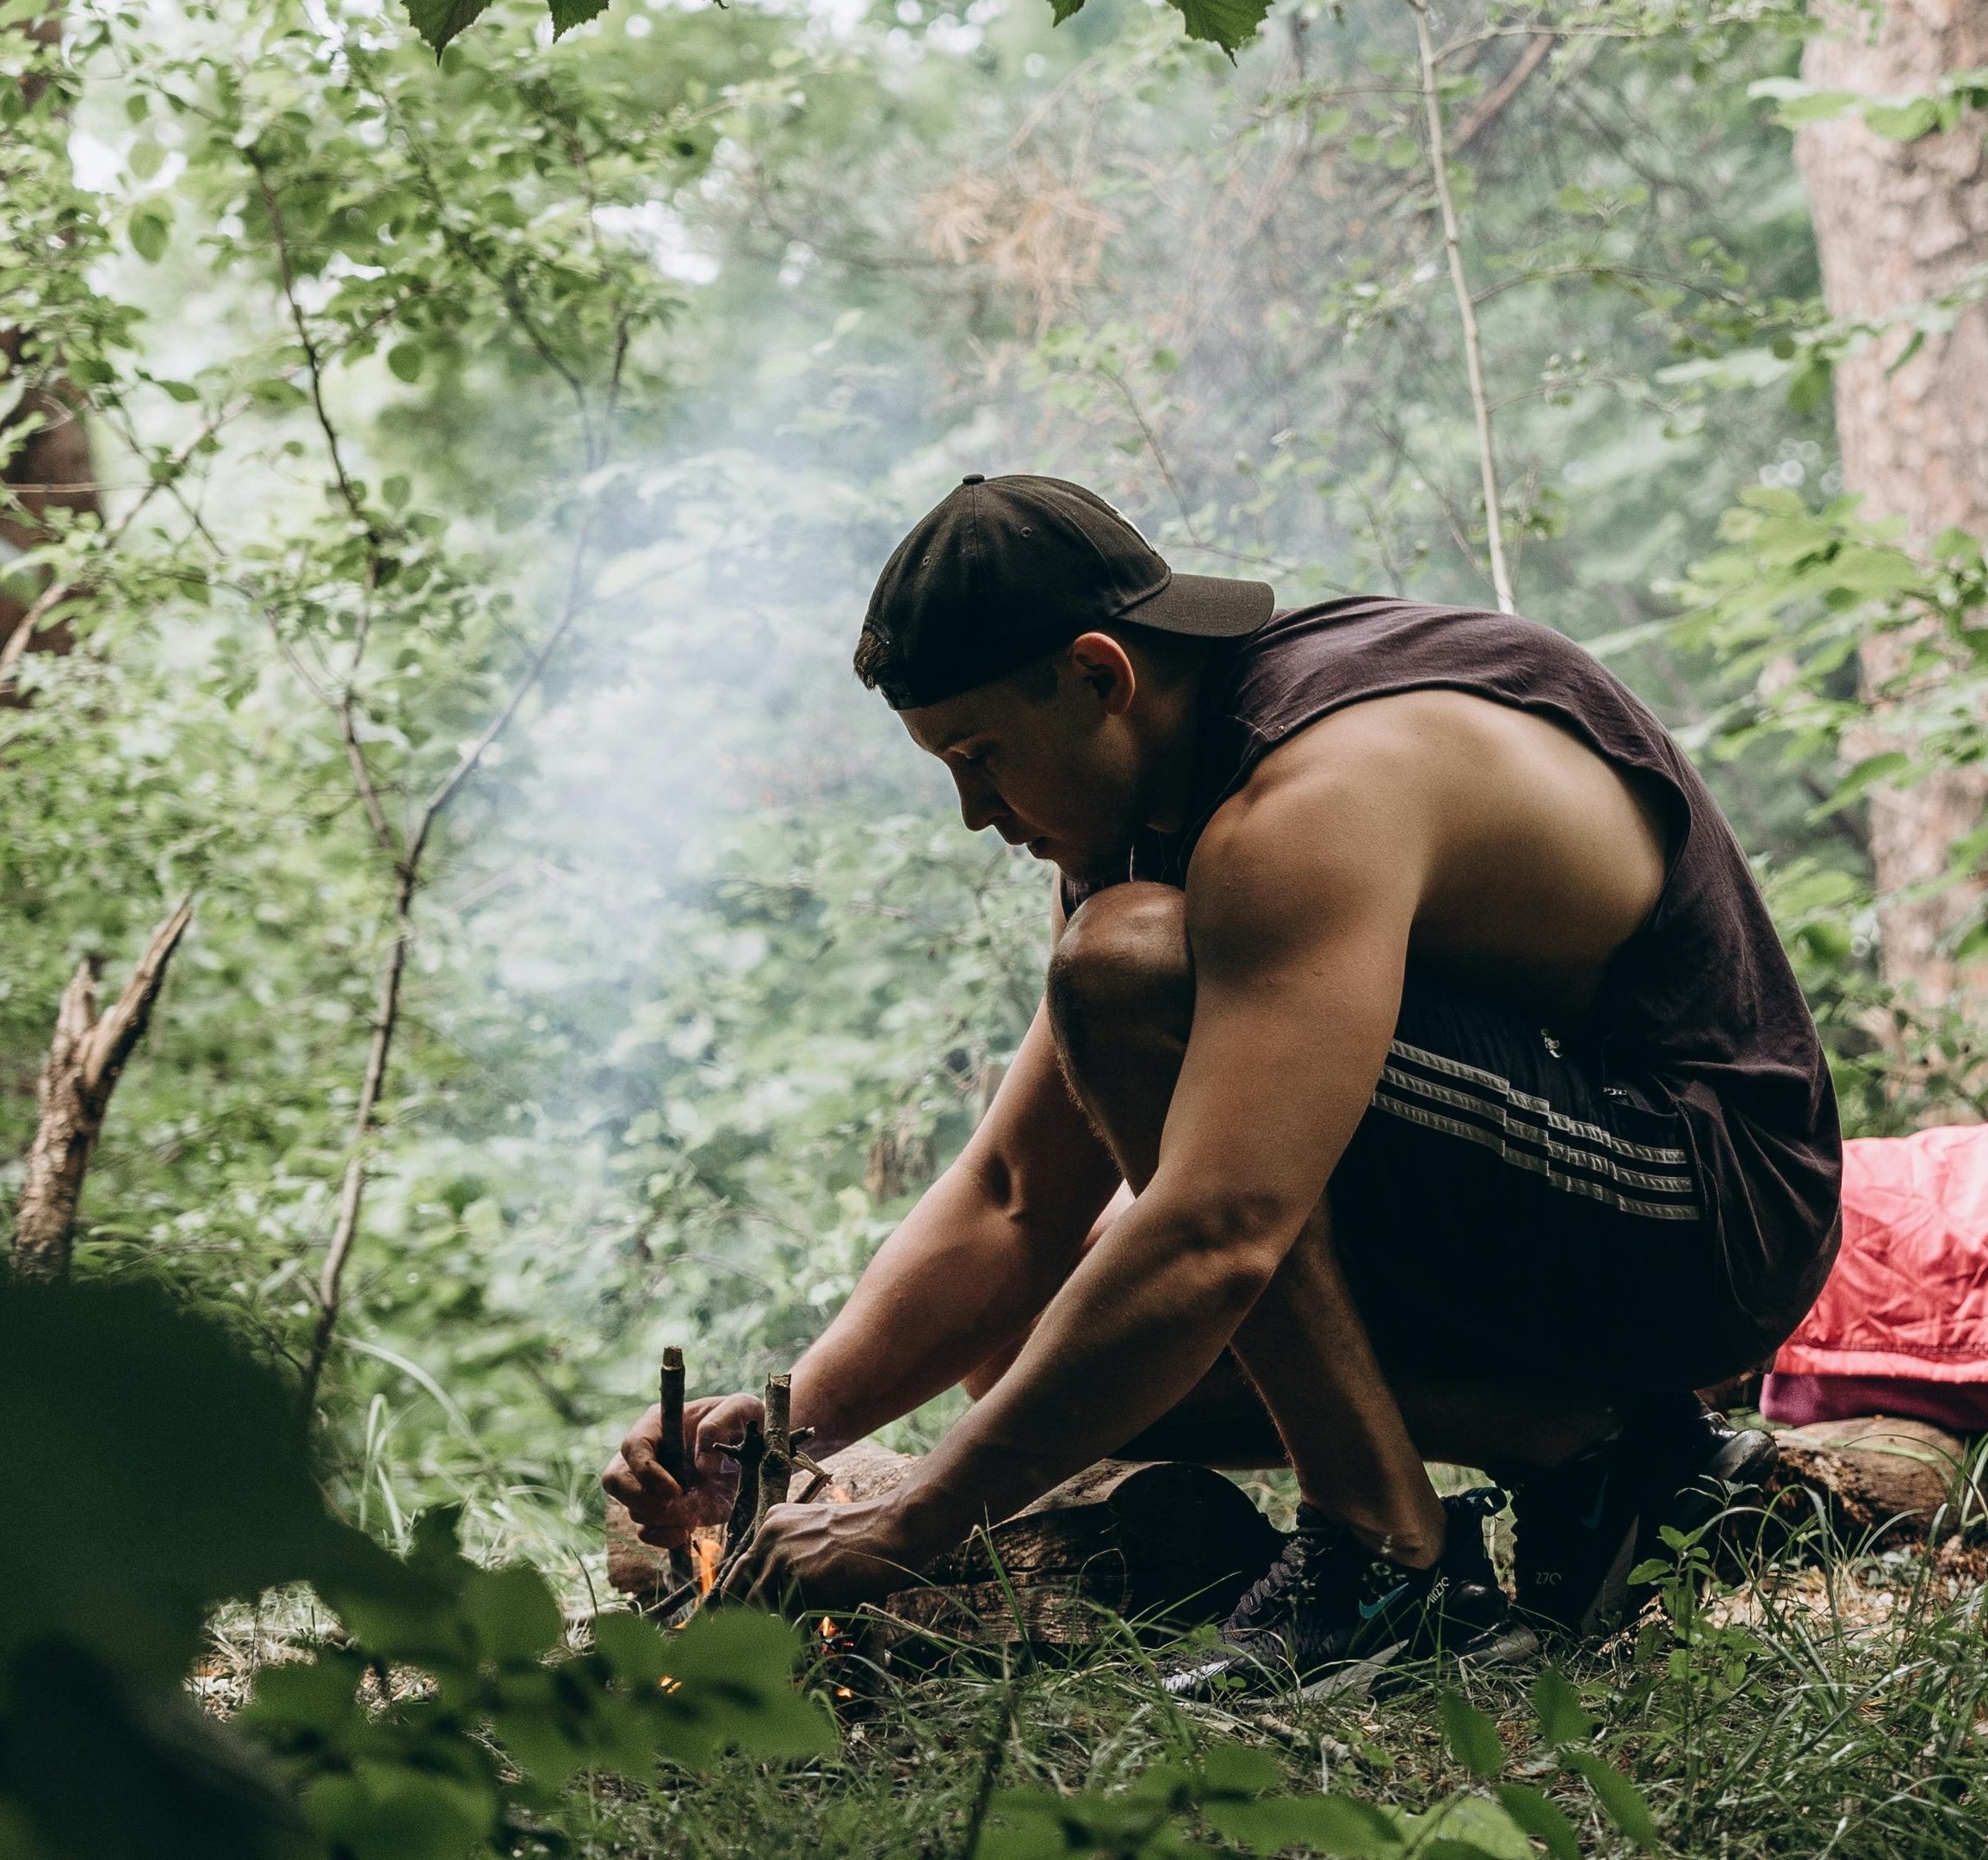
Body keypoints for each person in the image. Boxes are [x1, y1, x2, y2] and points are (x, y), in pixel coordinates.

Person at [601, 473, 1842, 1692]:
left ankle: (1379, 1550)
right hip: (1539, 1195)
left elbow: (1217, 1233)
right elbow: (1014, 1195)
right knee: (1033, 1343)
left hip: (1709, 1210)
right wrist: (785, 1435)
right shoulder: (1143, 801)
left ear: (1101, 674)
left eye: (983, 756)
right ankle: (1599, 1455)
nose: (975, 812)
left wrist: (913, 1522)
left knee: (1130, 983)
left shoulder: (1313, 794)